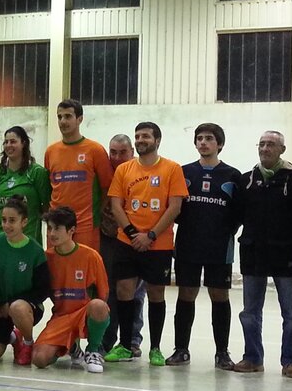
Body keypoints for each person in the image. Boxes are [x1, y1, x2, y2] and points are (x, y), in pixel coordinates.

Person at [103, 122, 187, 366]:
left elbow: (175, 207)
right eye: (137, 136)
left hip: (157, 244)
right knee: (124, 291)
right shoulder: (124, 170)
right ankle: (126, 345)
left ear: (157, 140)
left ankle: (156, 348)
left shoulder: (172, 169)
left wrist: (149, 235)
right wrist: (132, 234)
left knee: (156, 293)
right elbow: (116, 205)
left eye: (146, 136)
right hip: (126, 242)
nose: (141, 140)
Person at [167, 123, 242, 370]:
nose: (203, 142)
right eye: (199, 138)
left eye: (209, 138)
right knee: (186, 294)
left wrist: (223, 232)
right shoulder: (183, 172)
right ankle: (181, 350)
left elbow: (238, 214)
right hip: (188, 245)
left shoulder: (233, 175)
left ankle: (222, 352)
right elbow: (175, 209)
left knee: (219, 295)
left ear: (219, 144)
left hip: (219, 247)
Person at [234, 130, 292, 378]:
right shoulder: (247, 180)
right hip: (253, 253)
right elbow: (236, 217)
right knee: (250, 312)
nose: (265, 149)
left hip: (286, 253)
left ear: (282, 150)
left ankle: (291, 362)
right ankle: (253, 358)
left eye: (271, 145)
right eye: (261, 144)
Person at [33, 207, 111, 373]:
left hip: (84, 312)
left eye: (57, 228)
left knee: (98, 306)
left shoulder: (91, 256)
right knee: (39, 359)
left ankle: (93, 350)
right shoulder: (46, 258)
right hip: (61, 317)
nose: (52, 233)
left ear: (72, 231)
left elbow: (103, 295)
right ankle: (72, 347)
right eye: (50, 228)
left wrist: (96, 313)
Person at [0, 197, 50, 366]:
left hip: (25, 308)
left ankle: (27, 342)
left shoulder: (35, 251)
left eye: (12, 221)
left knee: (17, 307)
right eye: (4, 220)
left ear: (24, 222)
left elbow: (43, 289)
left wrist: (10, 303)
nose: (6, 225)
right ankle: (13, 336)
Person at [43, 99, 114, 250]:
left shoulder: (95, 150)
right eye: (59, 117)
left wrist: (96, 213)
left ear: (80, 119)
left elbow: (107, 188)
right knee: (56, 271)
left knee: (84, 270)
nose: (63, 121)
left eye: (68, 116)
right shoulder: (51, 151)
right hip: (56, 226)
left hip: (85, 226)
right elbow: (50, 188)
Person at [100, 134, 145, 355]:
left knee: (135, 293)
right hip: (108, 238)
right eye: (113, 152)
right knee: (110, 291)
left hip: (135, 240)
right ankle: (107, 339)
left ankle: (133, 339)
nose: (117, 157)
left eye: (122, 152)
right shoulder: (104, 172)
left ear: (132, 153)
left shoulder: (139, 172)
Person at [0, 125, 51, 244]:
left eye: (13, 141)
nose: (8, 145)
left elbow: (46, 206)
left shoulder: (37, 172)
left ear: (24, 143)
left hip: (28, 238)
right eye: (6, 142)